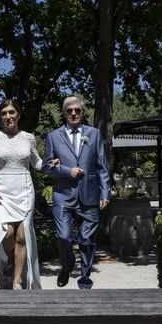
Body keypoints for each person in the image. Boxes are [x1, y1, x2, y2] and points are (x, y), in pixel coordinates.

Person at [42, 96, 111, 289]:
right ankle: (67, 264)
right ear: (64, 113)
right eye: (69, 110)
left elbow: (102, 166)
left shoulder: (95, 134)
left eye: (77, 110)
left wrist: (105, 192)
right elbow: (46, 167)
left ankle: (85, 279)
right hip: (63, 196)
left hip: (89, 195)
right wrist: (66, 171)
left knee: (87, 240)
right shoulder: (53, 136)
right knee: (63, 236)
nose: (73, 113)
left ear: (82, 112)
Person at [0, 99, 47, 290]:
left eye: (11, 112)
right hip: (1, 190)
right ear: (1, 116)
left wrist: (53, 164)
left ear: (18, 115)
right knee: (6, 233)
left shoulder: (28, 138)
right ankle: (12, 261)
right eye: (4, 113)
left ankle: (17, 281)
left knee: (21, 235)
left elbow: (37, 162)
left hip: (24, 189)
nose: (8, 116)